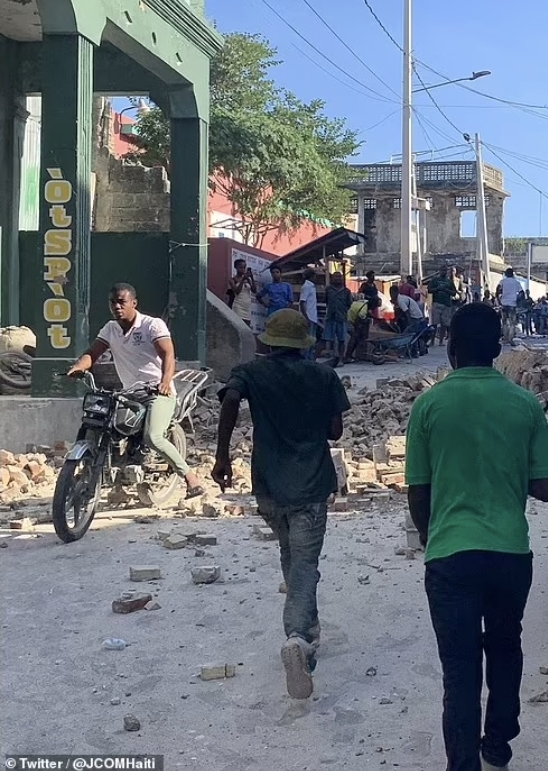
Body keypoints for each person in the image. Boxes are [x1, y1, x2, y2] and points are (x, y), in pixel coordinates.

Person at [405, 304, 548, 771]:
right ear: (497, 348)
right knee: (506, 647)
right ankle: (499, 742)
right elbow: (545, 488)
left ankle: (464, 763)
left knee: (460, 671)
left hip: (450, 555)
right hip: (509, 554)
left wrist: (432, 540)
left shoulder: (428, 406)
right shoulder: (525, 405)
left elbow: (418, 492)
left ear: (451, 347)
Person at [212, 309, 351, 700]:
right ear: (303, 343)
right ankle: (297, 637)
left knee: (290, 554)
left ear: (269, 342)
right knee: (305, 563)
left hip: (270, 486)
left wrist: (222, 456)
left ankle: (309, 630)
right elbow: (335, 431)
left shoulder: (250, 373)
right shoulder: (323, 375)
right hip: (311, 484)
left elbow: (230, 399)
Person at [66, 282, 205, 499]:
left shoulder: (152, 325)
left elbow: (168, 354)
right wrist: (78, 367)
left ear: (134, 303)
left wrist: (165, 381)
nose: (117, 307)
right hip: (129, 392)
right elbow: (92, 353)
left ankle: (190, 478)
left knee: (153, 437)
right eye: (113, 302)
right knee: (99, 425)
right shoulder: (110, 328)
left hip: (157, 392)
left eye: (122, 302)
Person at [323, 271, 352, 366]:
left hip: (341, 318)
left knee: (341, 340)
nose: (338, 279)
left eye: (340, 277)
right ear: (332, 279)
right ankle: (314, 359)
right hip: (330, 317)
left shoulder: (346, 291)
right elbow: (326, 301)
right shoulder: (328, 290)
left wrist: (342, 310)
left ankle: (341, 359)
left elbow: (349, 304)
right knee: (325, 338)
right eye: (336, 277)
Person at [428, 267, 458, 346]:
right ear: (439, 271)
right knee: (434, 323)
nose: (444, 272)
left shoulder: (449, 282)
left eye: (445, 270)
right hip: (436, 303)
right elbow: (429, 290)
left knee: (444, 324)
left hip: (446, 305)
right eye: (442, 270)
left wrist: (446, 290)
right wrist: (437, 289)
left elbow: (454, 293)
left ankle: (441, 341)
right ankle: (432, 341)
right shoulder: (435, 280)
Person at [495, 268, 524, 344]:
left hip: (504, 304)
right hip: (512, 305)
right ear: (512, 274)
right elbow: (521, 293)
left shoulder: (502, 282)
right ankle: (510, 339)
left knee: (504, 322)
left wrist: (499, 300)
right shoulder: (516, 282)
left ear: (506, 274)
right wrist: (518, 302)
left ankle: (505, 339)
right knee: (512, 323)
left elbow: (497, 290)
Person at [298, 268, 320, 360]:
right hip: (309, 317)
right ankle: (304, 360)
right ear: (311, 276)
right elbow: (302, 302)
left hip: (313, 317)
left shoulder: (312, 286)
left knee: (312, 341)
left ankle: (309, 359)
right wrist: (306, 317)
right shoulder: (306, 286)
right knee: (307, 341)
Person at [229, 259, 257, 326]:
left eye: (244, 267)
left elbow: (254, 290)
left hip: (247, 308)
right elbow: (237, 291)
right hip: (238, 307)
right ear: (236, 267)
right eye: (241, 267)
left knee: (246, 327)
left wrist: (252, 278)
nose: (243, 269)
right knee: (238, 326)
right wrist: (242, 280)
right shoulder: (232, 280)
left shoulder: (248, 279)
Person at [344, 296, 371, 363]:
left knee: (355, 338)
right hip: (348, 320)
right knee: (354, 337)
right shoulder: (364, 308)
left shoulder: (363, 302)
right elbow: (360, 316)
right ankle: (347, 356)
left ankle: (350, 356)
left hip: (348, 318)